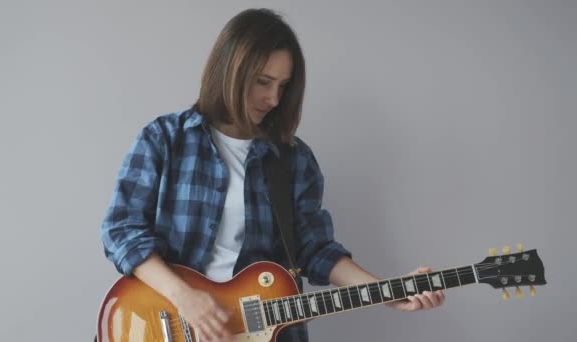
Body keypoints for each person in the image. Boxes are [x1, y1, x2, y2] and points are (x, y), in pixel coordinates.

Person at [100, 8, 445, 342]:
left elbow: (316, 250)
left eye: (283, 85)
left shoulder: (293, 159)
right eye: (263, 82)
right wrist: (185, 298)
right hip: (166, 318)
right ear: (229, 71)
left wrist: (385, 291)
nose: (274, 99)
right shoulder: (165, 138)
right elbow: (122, 230)